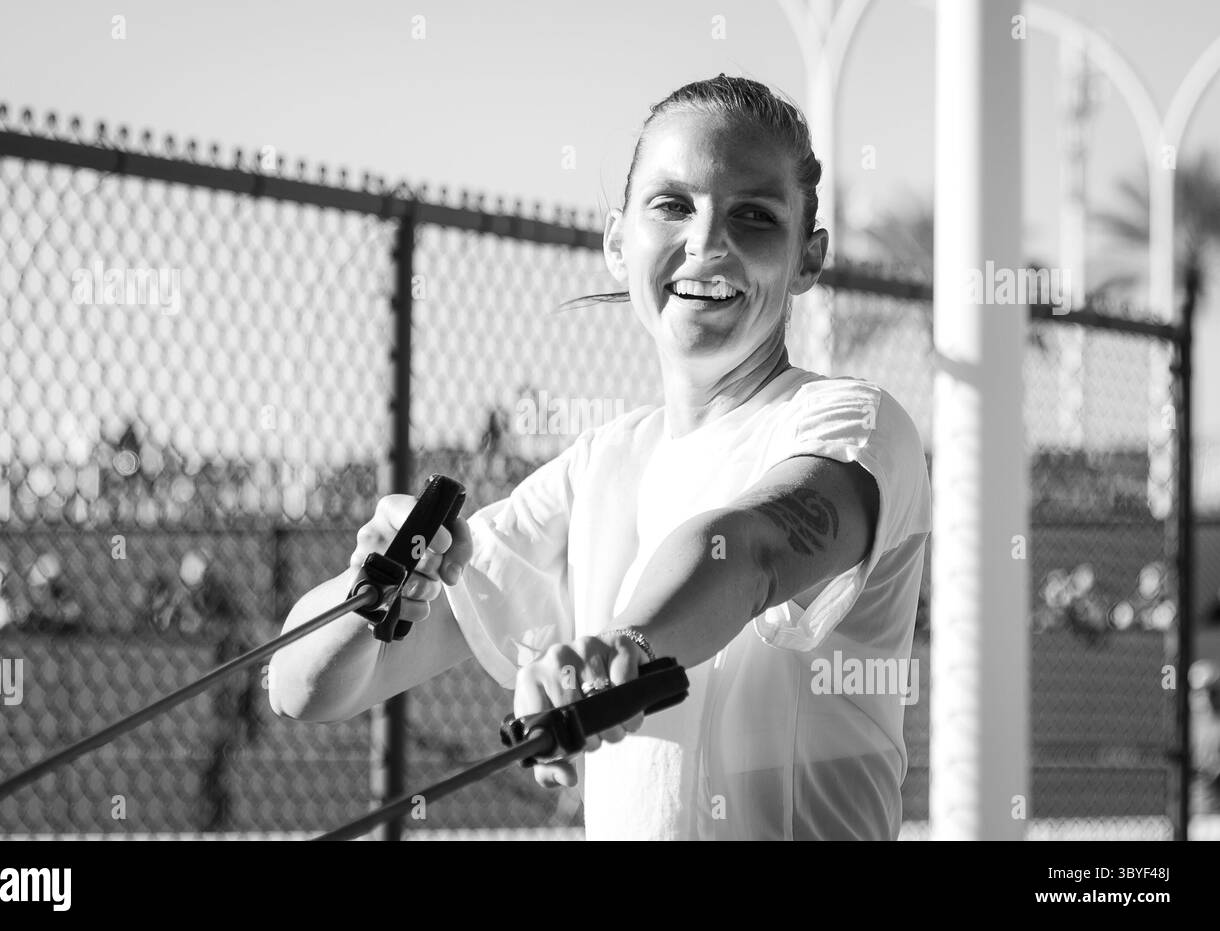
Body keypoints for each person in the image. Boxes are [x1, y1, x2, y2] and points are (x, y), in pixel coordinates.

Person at [270, 74, 932, 840]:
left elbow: (744, 550)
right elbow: (301, 687)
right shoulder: (598, 469)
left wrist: (618, 652)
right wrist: (372, 594)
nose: (709, 241)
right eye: (674, 204)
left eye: (754, 215)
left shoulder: (856, 422)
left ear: (807, 259)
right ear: (617, 242)